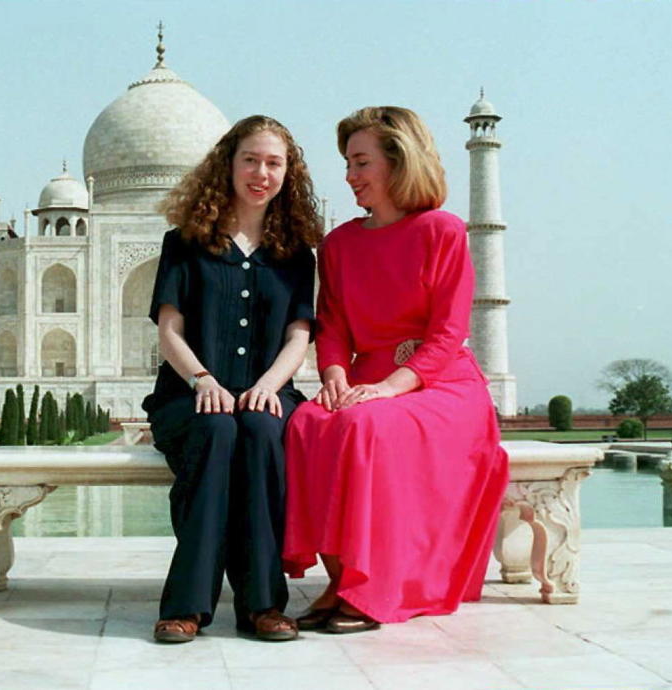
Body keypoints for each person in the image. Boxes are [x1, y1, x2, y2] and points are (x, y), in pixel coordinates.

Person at [283, 106, 509, 633]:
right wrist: (334, 374)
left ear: (397, 162)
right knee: (308, 424)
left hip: (440, 382)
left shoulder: (442, 231)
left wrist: (387, 387)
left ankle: (373, 590)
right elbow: (332, 322)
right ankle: (340, 581)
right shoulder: (339, 244)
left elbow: (449, 332)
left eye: (361, 162)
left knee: (366, 427)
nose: (350, 175)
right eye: (347, 162)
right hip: (366, 379)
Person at [143, 115, 322, 643]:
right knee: (217, 431)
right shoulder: (186, 242)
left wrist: (268, 385)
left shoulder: (295, 255)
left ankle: (262, 604)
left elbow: (298, 335)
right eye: (251, 159)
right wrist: (202, 379)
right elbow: (169, 331)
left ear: (288, 173)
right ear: (228, 164)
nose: (261, 173)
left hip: (268, 393)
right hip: (191, 394)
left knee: (264, 432)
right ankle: (187, 606)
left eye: (273, 163)